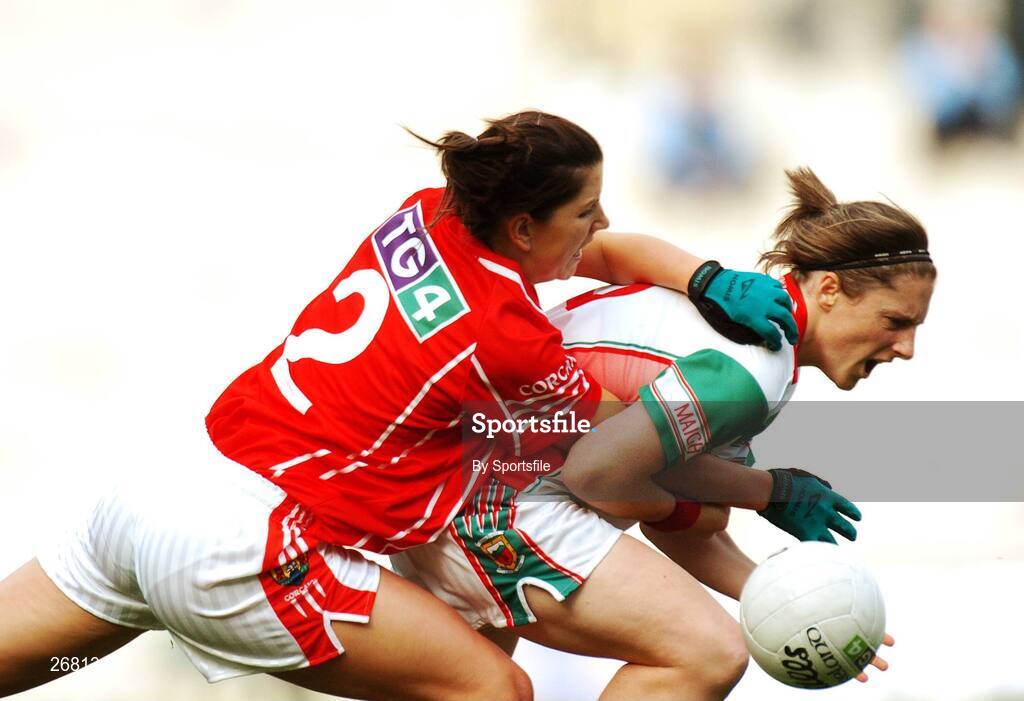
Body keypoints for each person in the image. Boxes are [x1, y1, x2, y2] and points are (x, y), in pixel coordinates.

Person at [0, 111, 797, 701]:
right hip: (249, 546)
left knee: (34, 661)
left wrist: (700, 276)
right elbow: (632, 456)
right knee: (494, 690)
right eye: (587, 209)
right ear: (522, 227)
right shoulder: (507, 338)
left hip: (168, 490)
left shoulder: (431, 212)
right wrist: (763, 491)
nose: (605, 223)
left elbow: (597, 256)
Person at [392, 167, 934, 700]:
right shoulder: (754, 367)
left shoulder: (749, 332)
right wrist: (755, 493)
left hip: (456, 489)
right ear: (832, 290)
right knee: (708, 653)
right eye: (895, 322)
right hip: (496, 506)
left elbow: (647, 483)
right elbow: (598, 472)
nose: (906, 348)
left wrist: (795, 605)